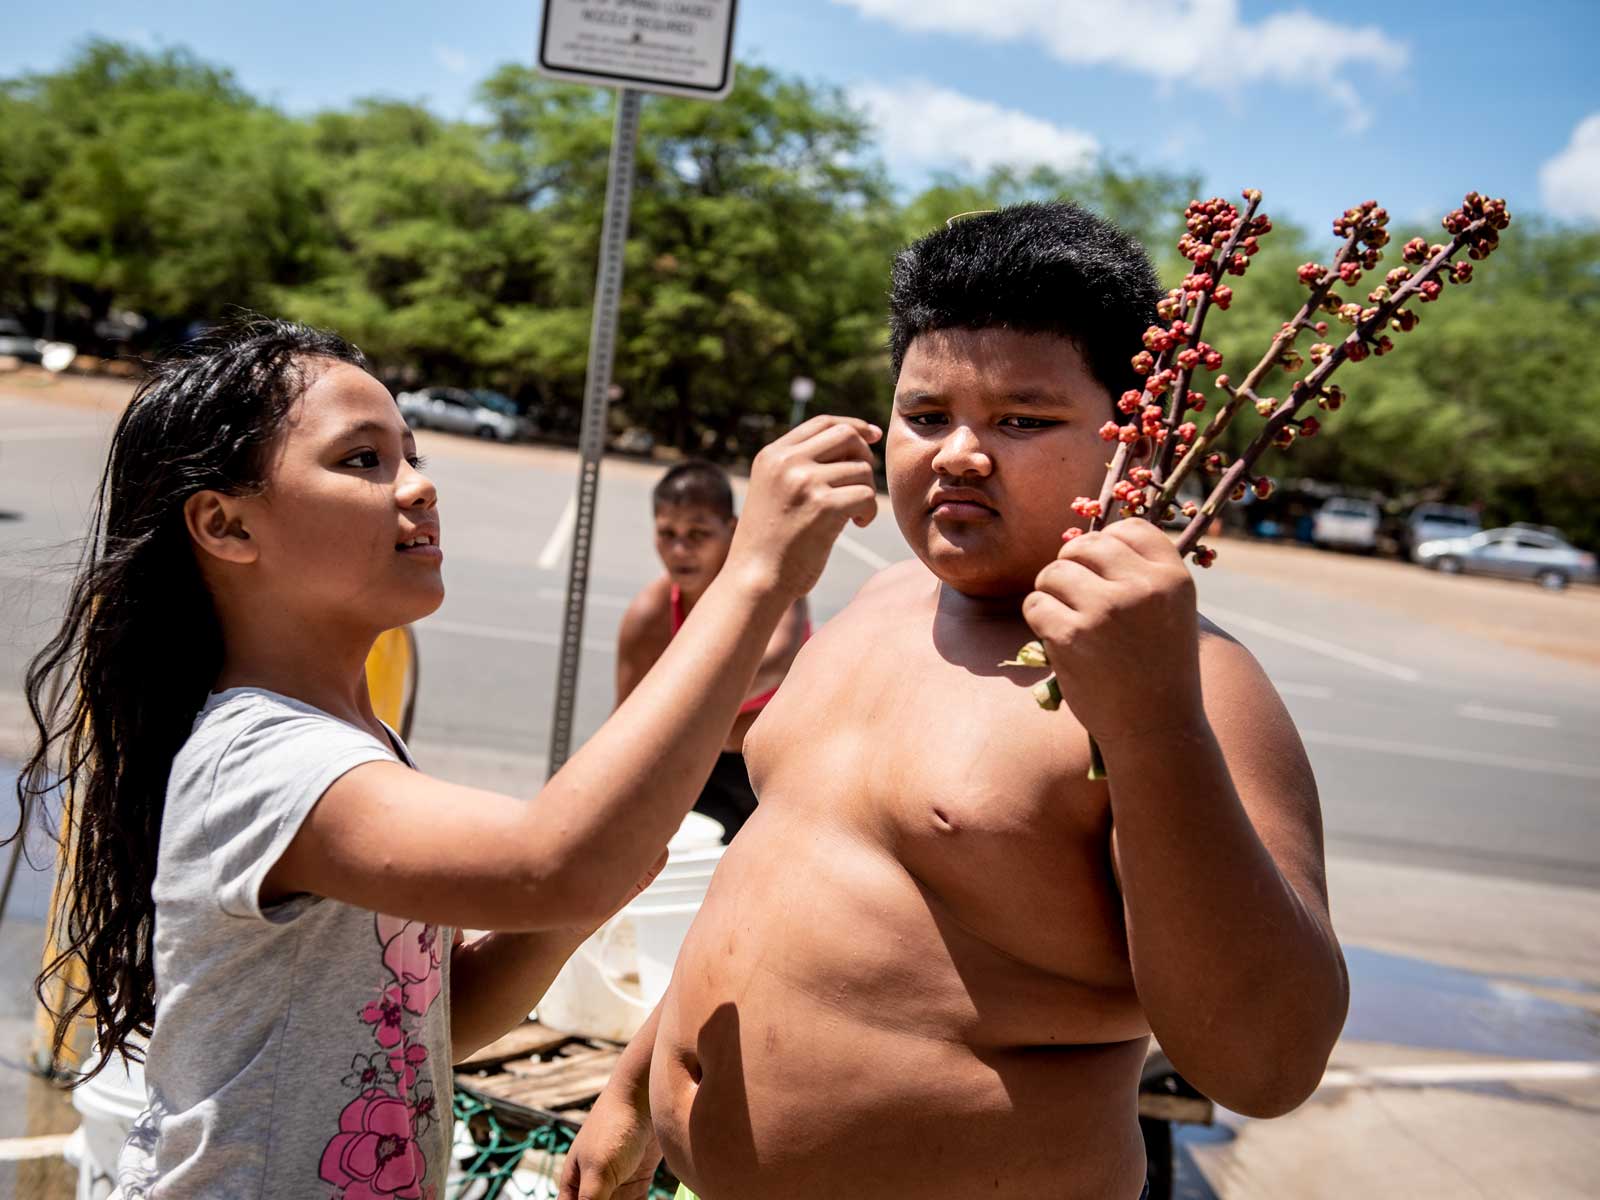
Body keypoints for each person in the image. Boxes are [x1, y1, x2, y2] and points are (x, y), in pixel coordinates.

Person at [560, 203, 1349, 1200]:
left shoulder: (1192, 681)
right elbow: (773, 884)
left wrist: (1155, 722)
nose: (958, 455)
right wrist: (633, 1090)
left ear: (1135, 446)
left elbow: (1268, 1064)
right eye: (926, 416)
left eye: (1023, 420)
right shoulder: (881, 602)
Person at [8, 317, 880, 1198]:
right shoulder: (259, 760)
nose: (420, 487)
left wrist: (577, 910)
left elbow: (431, 1024)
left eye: (413, 454)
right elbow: (552, 860)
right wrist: (754, 573)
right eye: (362, 461)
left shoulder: (360, 746)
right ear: (226, 524)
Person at [616, 461, 811, 842]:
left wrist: (681, 714)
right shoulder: (650, 615)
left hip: (780, 775)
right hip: (695, 770)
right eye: (667, 533)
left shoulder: (772, 586)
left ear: (732, 530)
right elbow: (624, 728)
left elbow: (775, 660)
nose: (679, 550)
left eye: (698, 534)